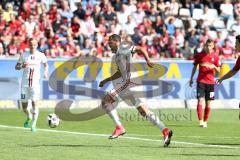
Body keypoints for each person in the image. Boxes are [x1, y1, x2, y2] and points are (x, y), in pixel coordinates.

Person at [99, 34, 173, 147]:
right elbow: (120, 72)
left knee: (106, 101)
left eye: (110, 43)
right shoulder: (117, 56)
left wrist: (148, 60)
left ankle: (119, 127)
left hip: (129, 83)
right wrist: (106, 80)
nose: (109, 46)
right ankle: (165, 130)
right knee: (144, 111)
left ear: (116, 42)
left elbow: (140, 48)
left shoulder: (123, 48)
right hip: (135, 83)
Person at [15, 38, 48, 132]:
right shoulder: (24, 55)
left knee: (34, 102)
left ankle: (33, 125)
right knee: (24, 107)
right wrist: (22, 66)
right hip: (24, 85)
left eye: (34, 44)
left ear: (37, 45)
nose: (32, 46)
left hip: (35, 84)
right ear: (28, 45)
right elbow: (16, 67)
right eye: (31, 44)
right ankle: (29, 117)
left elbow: (46, 65)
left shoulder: (41, 55)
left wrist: (45, 73)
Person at [189, 39, 221, 128]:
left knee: (208, 103)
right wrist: (191, 78)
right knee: (200, 100)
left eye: (210, 45)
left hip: (210, 83)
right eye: (207, 45)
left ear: (213, 46)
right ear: (205, 45)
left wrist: (213, 66)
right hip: (201, 82)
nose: (208, 47)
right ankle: (201, 121)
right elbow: (194, 67)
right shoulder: (199, 55)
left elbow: (219, 70)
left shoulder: (216, 57)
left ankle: (205, 121)